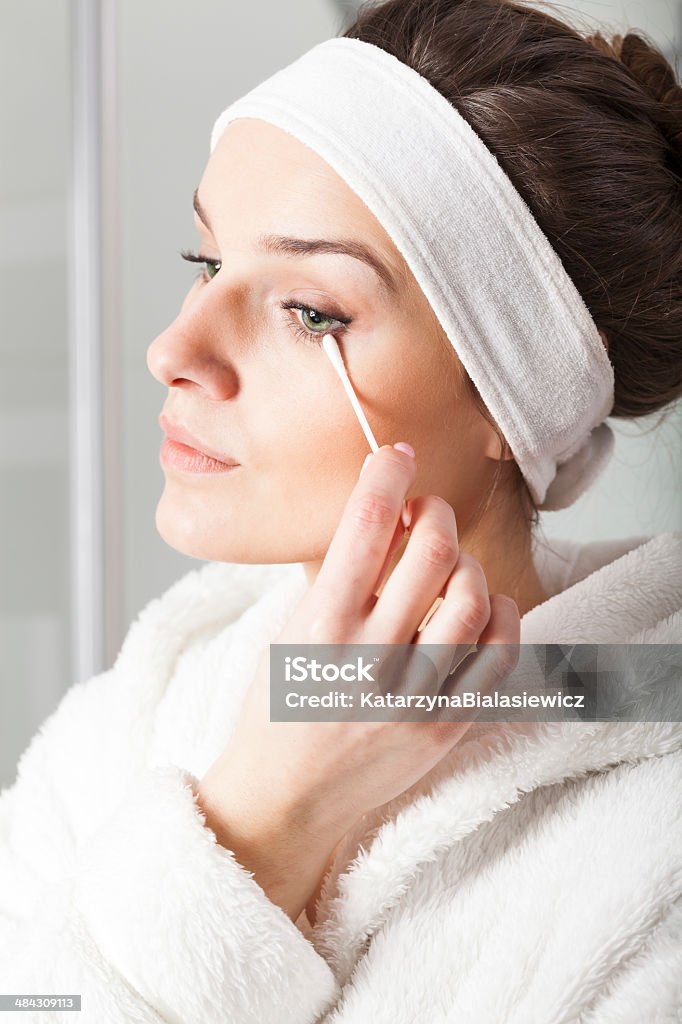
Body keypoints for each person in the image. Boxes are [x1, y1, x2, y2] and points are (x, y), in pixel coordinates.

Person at [2, 0, 681, 1021]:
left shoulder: (653, 844)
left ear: (510, 403)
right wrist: (252, 829)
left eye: (311, 312)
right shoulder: (127, 726)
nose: (174, 351)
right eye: (208, 262)